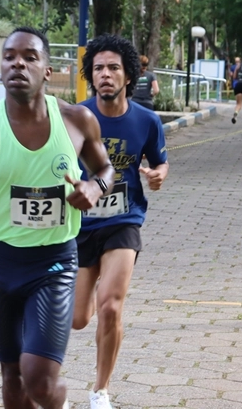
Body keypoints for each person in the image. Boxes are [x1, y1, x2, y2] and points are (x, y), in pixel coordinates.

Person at [0, 27, 114, 409]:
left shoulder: (77, 120)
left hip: (55, 261)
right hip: (3, 263)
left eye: (30, 57)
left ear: (48, 70)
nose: (19, 63)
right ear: (0, 69)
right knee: (12, 380)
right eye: (10, 56)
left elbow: (105, 170)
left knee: (39, 381)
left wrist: (94, 189)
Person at [71, 34, 169, 409]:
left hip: (124, 220)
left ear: (129, 75)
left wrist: (159, 174)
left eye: (114, 68)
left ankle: (100, 390)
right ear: (90, 76)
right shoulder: (76, 118)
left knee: (111, 306)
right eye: (99, 68)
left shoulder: (146, 121)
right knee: (80, 319)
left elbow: (159, 161)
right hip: (79, 226)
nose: (106, 75)